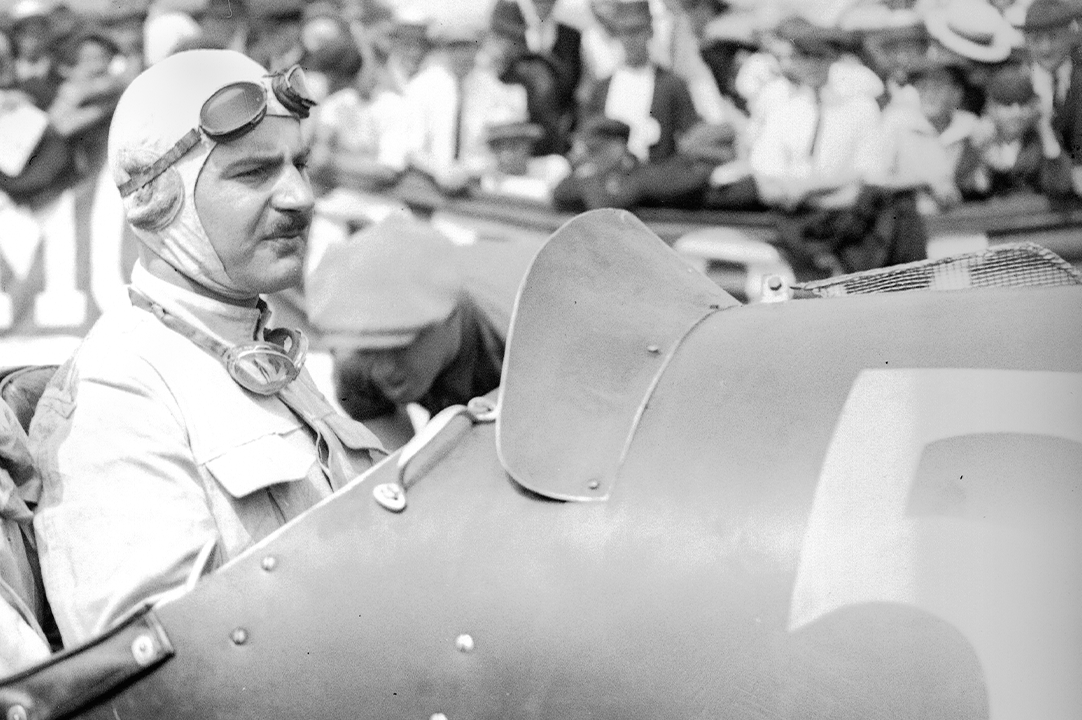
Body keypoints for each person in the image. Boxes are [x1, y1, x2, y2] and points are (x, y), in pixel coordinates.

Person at [30, 49, 385, 646]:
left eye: (299, 164)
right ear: (157, 198)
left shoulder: (258, 350)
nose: (300, 197)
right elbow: (163, 680)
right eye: (253, 173)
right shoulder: (120, 392)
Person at [308, 215, 535, 446]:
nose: (384, 370)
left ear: (450, 314)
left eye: (399, 346)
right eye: (369, 349)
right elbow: (398, 465)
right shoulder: (356, 367)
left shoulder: (525, 333)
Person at [1020, 0, 1082, 195]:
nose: (1046, 48)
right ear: (1026, 41)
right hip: (1032, 197)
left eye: (1053, 37)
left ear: (1070, 36)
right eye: (1037, 39)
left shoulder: (1080, 79)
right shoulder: (1019, 84)